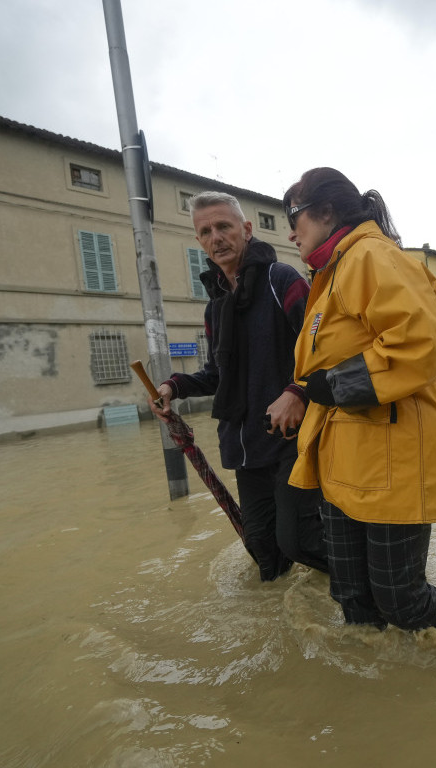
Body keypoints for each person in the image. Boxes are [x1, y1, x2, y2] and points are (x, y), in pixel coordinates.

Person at [282, 167, 436, 633]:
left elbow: (420, 343)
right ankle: (382, 675)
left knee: (402, 600)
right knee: (353, 598)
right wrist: (307, 389)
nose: (290, 232)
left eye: (293, 216)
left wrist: (332, 385)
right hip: (343, 462)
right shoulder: (330, 275)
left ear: (326, 212)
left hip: (390, 459)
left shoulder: (370, 257)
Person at [149, 191, 327, 581]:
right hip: (246, 449)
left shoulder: (282, 280)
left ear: (246, 230)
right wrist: (173, 387)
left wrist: (298, 391)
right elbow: (217, 374)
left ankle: (369, 590)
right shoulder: (215, 307)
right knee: (264, 554)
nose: (216, 238)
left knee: (300, 541)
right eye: (205, 232)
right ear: (199, 241)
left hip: (294, 439)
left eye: (224, 226)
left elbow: (325, 347)